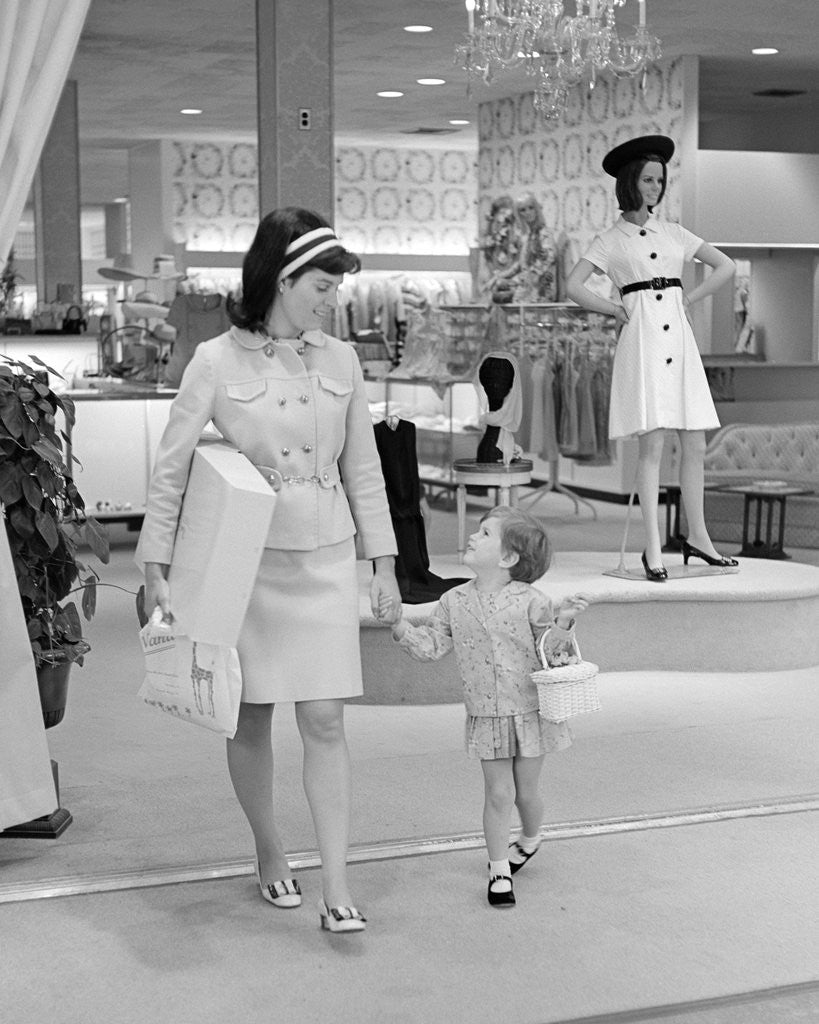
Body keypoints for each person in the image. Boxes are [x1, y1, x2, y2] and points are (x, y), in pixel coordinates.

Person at [137, 207, 401, 934]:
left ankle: (337, 882)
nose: (331, 300)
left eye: (336, 287)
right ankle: (268, 847)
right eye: (321, 285)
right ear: (282, 279)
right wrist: (155, 565)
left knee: (323, 717)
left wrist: (382, 563)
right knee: (249, 715)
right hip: (244, 561)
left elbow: (365, 472)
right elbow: (170, 471)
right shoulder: (214, 361)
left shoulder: (341, 360)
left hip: (323, 555)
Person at [381, 506, 588, 907]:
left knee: (525, 793)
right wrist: (400, 625)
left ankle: (530, 836)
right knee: (498, 794)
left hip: (530, 712)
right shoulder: (452, 601)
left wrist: (563, 622)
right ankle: (498, 870)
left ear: (508, 558)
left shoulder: (533, 602)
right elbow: (432, 647)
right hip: (486, 714)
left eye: (486, 533)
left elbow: (553, 653)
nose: (474, 537)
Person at [565, 136, 738, 580]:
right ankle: (653, 548)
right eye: (648, 179)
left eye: (661, 180)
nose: (656, 187)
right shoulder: (610, 240)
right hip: (642, 339)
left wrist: (689, 299)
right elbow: (574, 285)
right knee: (654, 443)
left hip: (678, 343)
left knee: (695, 441)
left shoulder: (676, 232)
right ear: (630, 182)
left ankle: (698, 538)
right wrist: (613, 308)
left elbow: (726, 266)